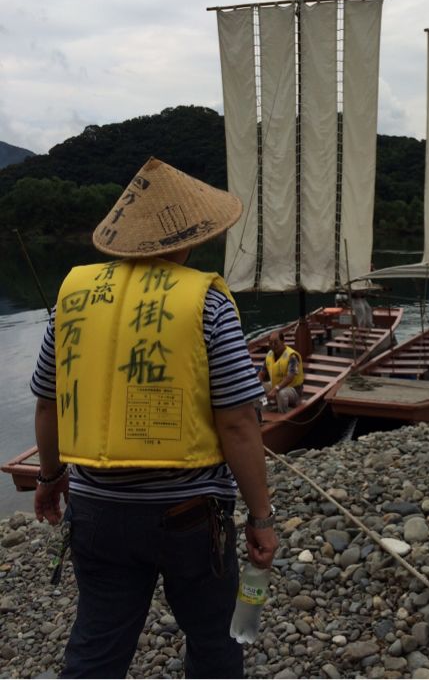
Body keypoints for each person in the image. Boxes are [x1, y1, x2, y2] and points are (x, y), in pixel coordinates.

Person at [31, 157, 278, 679]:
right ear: (190, 238)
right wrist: (261, 518)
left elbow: (48, 403)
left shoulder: (72, 299)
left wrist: (50, 478)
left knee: (97, 642)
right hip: (189, 514)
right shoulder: (207, 304)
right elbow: (238, 422)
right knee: (213, 639)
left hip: (96, 510)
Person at [258, 332, 304, 413]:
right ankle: (264, 411)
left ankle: (282, 414)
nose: (273, 345)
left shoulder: (292, 356)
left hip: (294, 390)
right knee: (259, 389)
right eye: (271, 343)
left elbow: (290, 377)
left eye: (276, 343)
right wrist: (256, 384)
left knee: (281, 393)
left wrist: (276, 389)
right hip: (275, 385)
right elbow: (262, 373)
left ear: (283, 341)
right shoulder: (269, 355)